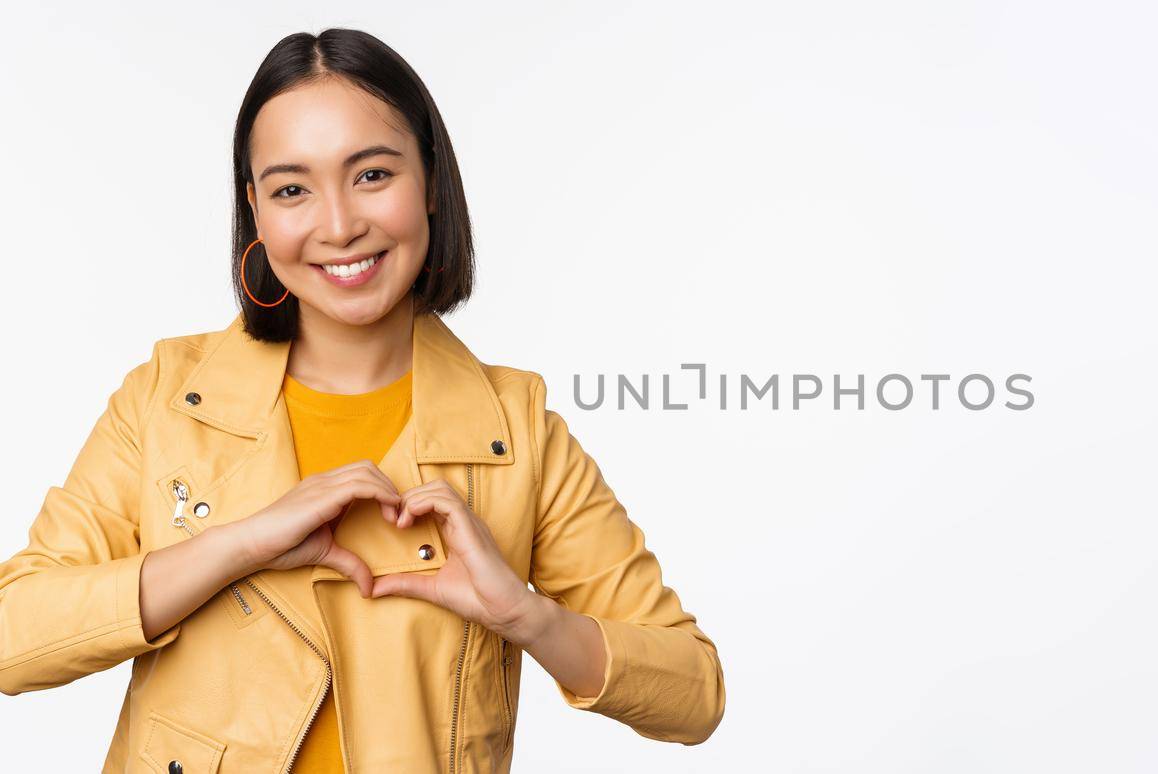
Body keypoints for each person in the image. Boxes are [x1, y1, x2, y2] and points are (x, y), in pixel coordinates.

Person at [0, 28, 724, 773]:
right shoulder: (167, 398)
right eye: (291, 190)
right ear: (254, 210)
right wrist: (239, 545)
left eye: (373, 175)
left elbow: (694, 692)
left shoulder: (517, 431)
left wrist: (527, 617)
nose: (340, 225)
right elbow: (11, 639)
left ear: (432, 181)